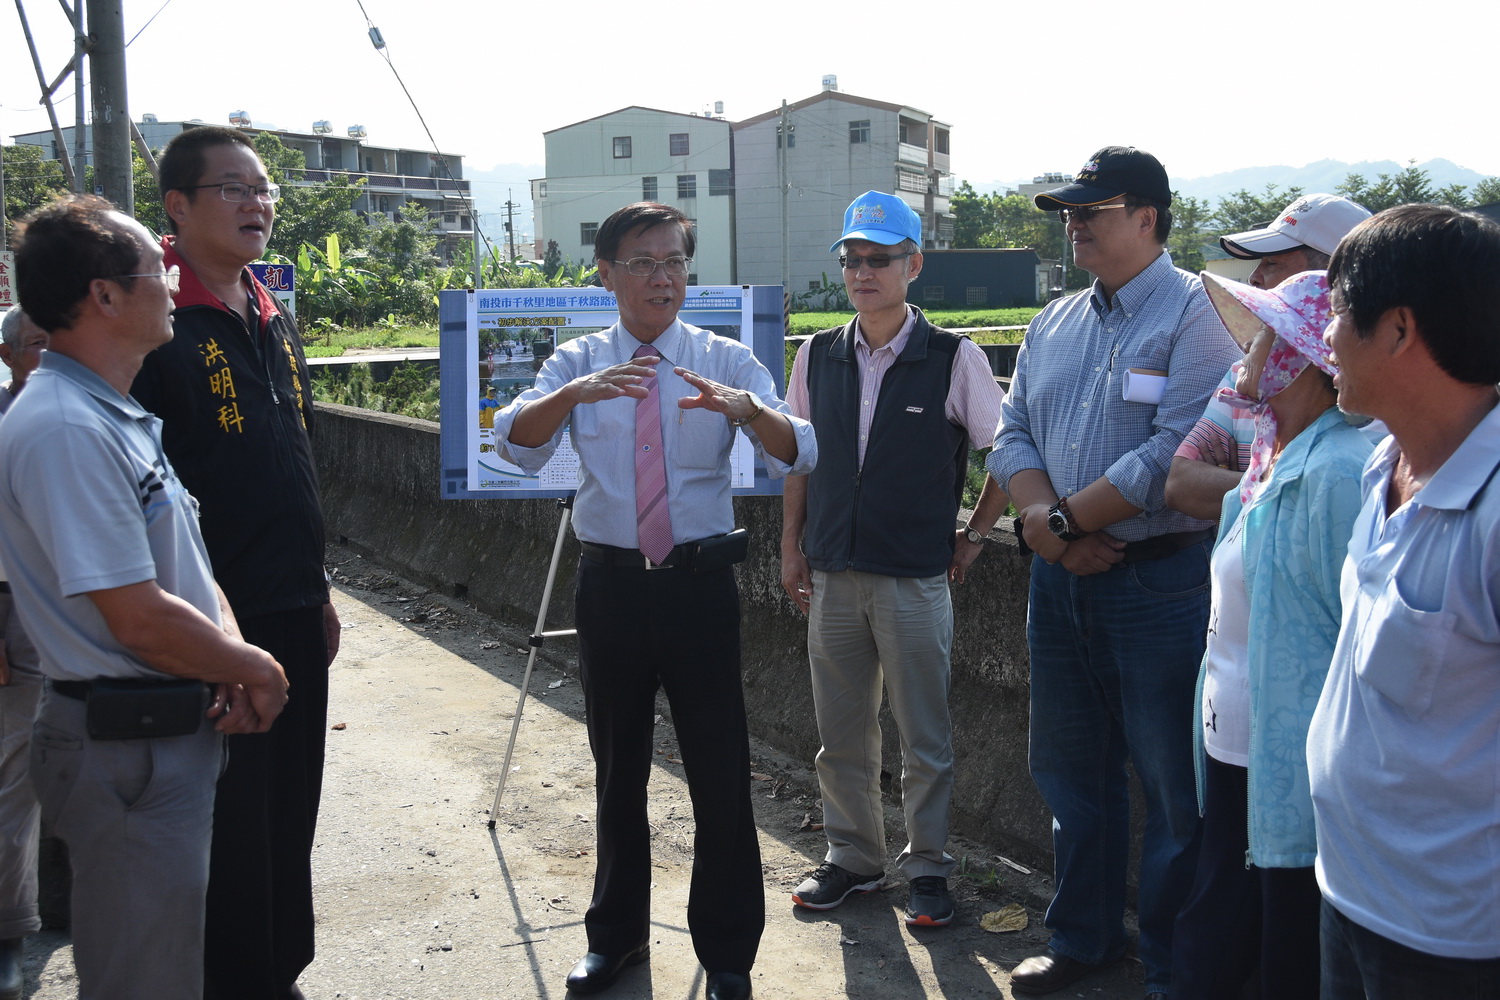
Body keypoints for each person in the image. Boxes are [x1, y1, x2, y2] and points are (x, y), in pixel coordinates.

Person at [494, 202, 815, 1000]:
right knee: (617, 769)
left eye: (674, 260)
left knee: (718, 769)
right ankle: (616, 941)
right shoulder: (578, 360)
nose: (662, 276)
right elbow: (512, 444)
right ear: (605, 273)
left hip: (700, 588)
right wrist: (572, 397)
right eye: (642, 262)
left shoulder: (721, 357)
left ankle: (730, 951)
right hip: (610, 586)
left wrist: (752, 412)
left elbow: (798, 447)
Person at [1, 193, 288, 1000]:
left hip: (157, 734)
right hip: (124, 745)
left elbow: (182, 570)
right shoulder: (65, 427)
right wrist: (257, 667)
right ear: (103, 296)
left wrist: (227, 651)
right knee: (142, 977)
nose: (170, 277)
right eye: (152, 267)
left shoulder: (110, 411)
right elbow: (133, 614)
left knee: (164, 956)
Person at [987, 146, 1240, 999]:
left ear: (1148, 217)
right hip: (1060, 580)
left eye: (1093, 209)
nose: (1075, 223)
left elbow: (1176, 447)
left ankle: (1172, 965)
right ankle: (1084, 939)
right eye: (1070, 210)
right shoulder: (1052, 321)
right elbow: (1011, 431)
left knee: (1175, 788)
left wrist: (1060, 523)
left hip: (1161, 582)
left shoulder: (1197, 312)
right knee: (1070, 769)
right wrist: (1046, 532)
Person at [129, 124, 338, 1000]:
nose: (257, 204)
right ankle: (231, 979)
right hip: (211, 616)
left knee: (291, 807)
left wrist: (320, 586)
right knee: (228, 818)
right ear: (177, 207)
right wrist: (203, 630)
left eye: (264, 191)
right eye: (234, 189)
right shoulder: (150, 326)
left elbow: (296, 452)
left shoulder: (268, 309)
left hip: (292, 602)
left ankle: (280, 967)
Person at [780, 191, 1006, 927]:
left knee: (924, 734)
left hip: (914, 576)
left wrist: (973, 534)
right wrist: (791, 545)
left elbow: (1005, 452)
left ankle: (931, 868)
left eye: (880, 258)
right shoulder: (818, 353)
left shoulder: (953, 356)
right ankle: (853, 859)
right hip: (833, 571)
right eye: (852, 259)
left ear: (914, 264)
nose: (863, 271)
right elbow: (801, 460)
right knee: (839, 734)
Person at [1307, 204, 1500, 998]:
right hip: (1350, 890)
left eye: (1338, 312)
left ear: (1397, 330)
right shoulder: (1381, 463)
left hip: (1448, 938)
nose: (1323, 337)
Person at [1169, 271, 1371, 999]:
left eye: (1264, 336)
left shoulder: (1339, 472)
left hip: (1290, 769)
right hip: (1236, 752)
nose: (1247, 351)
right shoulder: (1270, 459)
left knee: (1281, 953)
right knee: (1220, 938)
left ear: (1298, 355)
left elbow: (1356, 644)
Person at [1164, 194, 1370, 521]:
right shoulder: (1248, 376)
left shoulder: (1374, 407)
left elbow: (1334, 488)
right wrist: (1284, 484)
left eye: (1272, 263)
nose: (1254, 278)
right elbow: (1180, 484)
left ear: (1332, 280)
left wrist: (1247, 479)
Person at [0, 306, 47, 1000]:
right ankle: (9, 932)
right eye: (36, 342)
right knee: (14, 776)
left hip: (85, 609)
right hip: (14, 610)